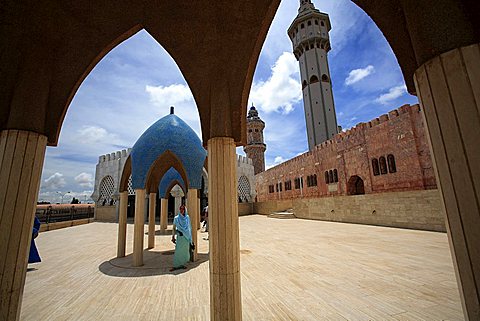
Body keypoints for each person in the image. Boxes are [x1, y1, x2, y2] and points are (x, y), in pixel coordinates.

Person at [170, 204, 193, 271]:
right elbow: (174, 228)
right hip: (180, 237)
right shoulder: (176, 218)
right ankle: (176, 265)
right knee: (178, 251)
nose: (181, 210)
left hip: (186, 238)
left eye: (183, 209)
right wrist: (173, 236)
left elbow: (189, 228)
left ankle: (182, 264)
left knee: (185, 252)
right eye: (180, 209)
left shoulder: (187, 218)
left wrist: (191, 239)